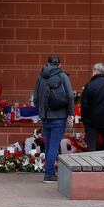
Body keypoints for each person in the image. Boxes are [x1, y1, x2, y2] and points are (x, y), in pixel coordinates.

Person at [33, 54, 74, 183]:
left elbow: (36, 98)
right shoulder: (63, 76)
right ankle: (49, 174)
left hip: (45, 117)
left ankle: (49, 172)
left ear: (47, 63)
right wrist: (70, 113)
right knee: (54, 146)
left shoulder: (41, 77)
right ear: (60, 64)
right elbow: (70, 96)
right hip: (59, 116)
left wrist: (41, 112)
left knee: (49, 144)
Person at [81, 62, 104, 151]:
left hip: (91, 121)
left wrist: (85, 119)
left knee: (91, 145)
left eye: (93, 70)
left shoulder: (89, 85)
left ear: (96, 71)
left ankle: (91, 164)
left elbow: (84, 105)